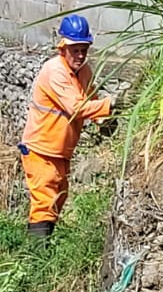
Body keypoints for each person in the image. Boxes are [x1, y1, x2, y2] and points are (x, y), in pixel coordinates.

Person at [17, 14, 116, 239]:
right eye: (75, 50)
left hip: (60, 152)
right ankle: (35, 259)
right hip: (41, 151)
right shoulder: (55, 72)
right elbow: (76, 108)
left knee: (58, 200)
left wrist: (103, 120)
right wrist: (111, 104)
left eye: (84, 49)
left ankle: (43, 252)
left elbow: (91, 100)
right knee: (44, 204)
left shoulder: (84, 72)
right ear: (63, 47)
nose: (80, 55)